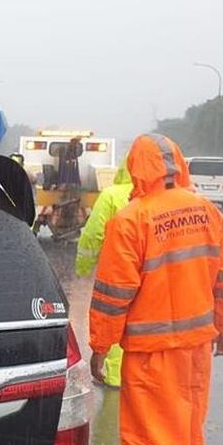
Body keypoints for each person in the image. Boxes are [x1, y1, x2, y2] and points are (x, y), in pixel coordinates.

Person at [89, 133, 223, 445]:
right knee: (188, 434)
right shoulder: (206, 211)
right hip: (196, 349)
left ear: (138, 168)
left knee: (154, 441)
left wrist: (100, 346)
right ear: (179, 166)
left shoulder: (133, 219)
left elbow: (114, 294)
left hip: (154, 354)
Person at [75, 158, 134, 387]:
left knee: (116, 321)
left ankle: (116, 375)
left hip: (118, 271)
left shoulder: (111, 195)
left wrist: (83, 267)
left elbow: (93, 234)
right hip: (154, 275)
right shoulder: (160, 198)